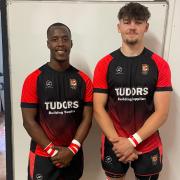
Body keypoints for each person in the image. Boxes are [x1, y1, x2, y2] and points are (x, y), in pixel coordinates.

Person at [93, 2, 172, 180]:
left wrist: (132, 141)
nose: (132, 27)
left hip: (147, 142)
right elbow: (98, 109)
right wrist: (119, 143)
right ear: (118, 27)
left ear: (146, 26)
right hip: (114, 143)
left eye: (138, 22)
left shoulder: (159, 65)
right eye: (127, 22)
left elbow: (162, 113)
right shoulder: (105, 64)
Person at [21, 22, 93, 180]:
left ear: (71, 43)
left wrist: (71, 150)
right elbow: (28, 121)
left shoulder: (83, 80)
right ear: (48, 44)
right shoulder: (34, 79)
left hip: (72, 155)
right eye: (55, 39)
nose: (60, 43)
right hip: (43, 156)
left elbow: (87, 118)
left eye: (65, 39)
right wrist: (53, 152)